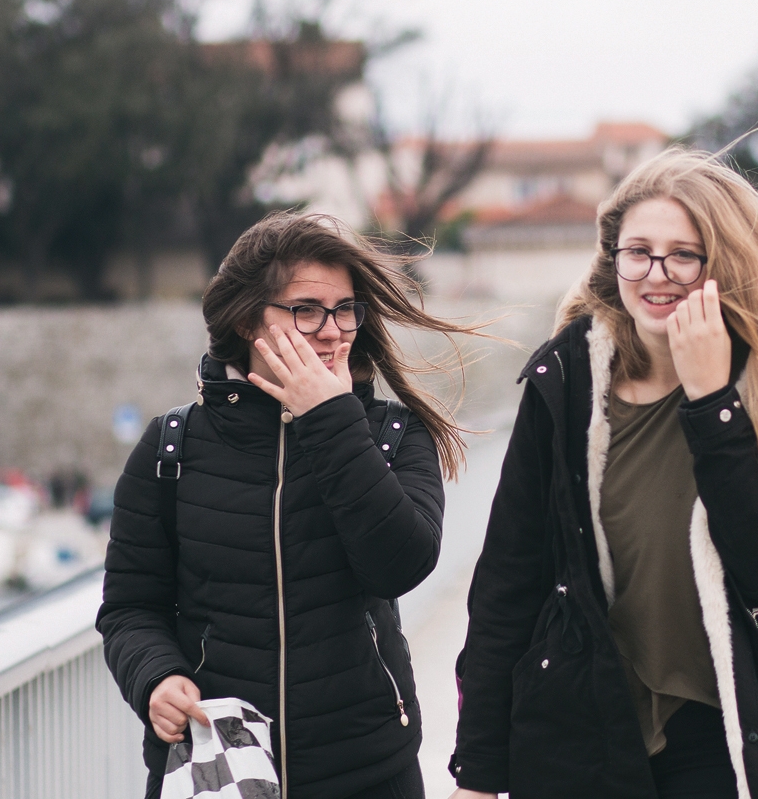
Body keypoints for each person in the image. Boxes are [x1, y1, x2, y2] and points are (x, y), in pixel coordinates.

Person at [447, 149, 758, 799]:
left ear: (726, 262)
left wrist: (712, 403)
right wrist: (478, 771)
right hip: (581, 726)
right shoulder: (566, 378)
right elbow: (509, 579)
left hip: (726, 735)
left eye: (684, 255)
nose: (658, 274)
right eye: (638, 252)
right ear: (613, 257)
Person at [97, 212, 476, 799]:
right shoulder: (171, 446)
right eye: (306, 310)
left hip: (366, 769)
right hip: (220, 767)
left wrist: (331, 421)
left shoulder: (393, 436)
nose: (332, 331)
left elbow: (400, 566)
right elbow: (129, 607)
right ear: (247, 319)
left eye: (345, 309)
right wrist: (155, 678)